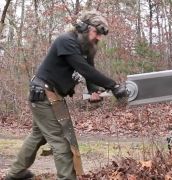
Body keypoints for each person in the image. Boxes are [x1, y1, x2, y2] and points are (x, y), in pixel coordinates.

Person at [5, 10, 127, 180]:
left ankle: (15, 173)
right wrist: (113, 85)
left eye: (101, 34)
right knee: (61, 141)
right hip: (43, 95)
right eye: (96, 33)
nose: (99, 38)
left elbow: (88, 68)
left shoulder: (87, 47)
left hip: (53, 95)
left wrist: (92, 91)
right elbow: (84, 69)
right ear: (84, 28)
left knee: (38, 135)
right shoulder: (66, 41)